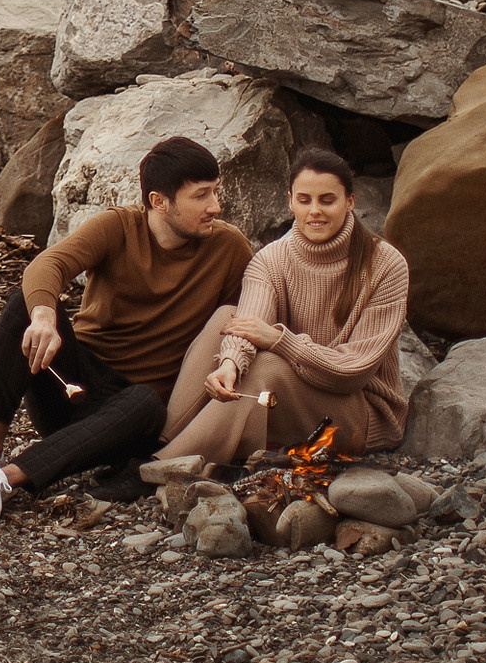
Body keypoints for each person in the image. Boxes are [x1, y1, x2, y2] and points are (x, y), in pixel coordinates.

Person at [0, 135, 252, 523]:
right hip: (73, 385)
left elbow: (249, 314)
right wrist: (45, 317)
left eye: (215, 192)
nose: (215, 206)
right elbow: (46, 266)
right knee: (25, 304)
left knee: (146, 402)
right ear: (158, 201)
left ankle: (2, 481)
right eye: (201, 196)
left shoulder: (229, 248)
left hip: (132, 417)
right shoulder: (119, 227)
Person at [157, 145, 410, 465]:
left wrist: (281, 341)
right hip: (292, 397)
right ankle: (160, 442)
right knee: (227, 317)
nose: (314, 210)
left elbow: (353, 372)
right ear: (290, 201)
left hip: (359, 414)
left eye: (327, 200)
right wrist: (229, 365)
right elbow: (248, 323)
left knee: (267, 366)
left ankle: (162, 466)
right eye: (304, 200)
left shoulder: (386, 264)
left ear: (350, 201)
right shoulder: (270, 259)